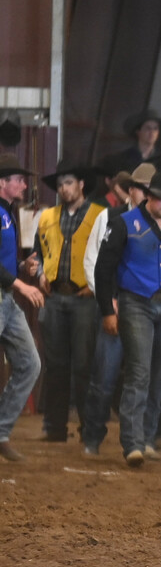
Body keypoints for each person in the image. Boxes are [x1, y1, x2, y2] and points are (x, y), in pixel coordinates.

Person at [95, 169, 161, 467]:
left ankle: (148, 437)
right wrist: (106, 309)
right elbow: (104, 269)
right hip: (135, 302)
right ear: (149, 196)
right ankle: (133, 442)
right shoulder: (124, 223)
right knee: (140, 371)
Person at [81, 165, 151, 457]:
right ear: (131, 189)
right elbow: (92, 262)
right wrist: (107, 301)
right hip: (115, 304)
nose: (147, 195)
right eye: (143, 189)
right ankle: (93, 436)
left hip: (145, 307)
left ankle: (140, 439)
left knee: (142, 376)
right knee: (105, 375)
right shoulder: (108, 216)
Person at [33, 160, 105, 442]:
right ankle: (54, 427)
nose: (63, 189)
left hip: (85, 297)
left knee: (84, 366)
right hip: (54, 296)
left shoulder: (101, 216)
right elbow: (38, 253)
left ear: (81, 185)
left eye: (69, 183)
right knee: (56, 365)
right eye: (60, 184)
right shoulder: (47, 216)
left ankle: (89, 429)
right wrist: (39, 273)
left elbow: (110, 256)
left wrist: (97, 287)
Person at [0, 154, 45, 462]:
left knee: (30, 363)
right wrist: (22, 284)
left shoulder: (9, 212)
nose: (24, 184)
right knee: (29, 364)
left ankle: (1, 432)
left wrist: (20, 267)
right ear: (3, 183)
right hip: (7, 294)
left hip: (5, 297)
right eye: (18, 179)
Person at [99, 109, 161, 176]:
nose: (152, 132)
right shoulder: (124, 158)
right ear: (138, 131)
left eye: (155, 128)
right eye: (148, 128)